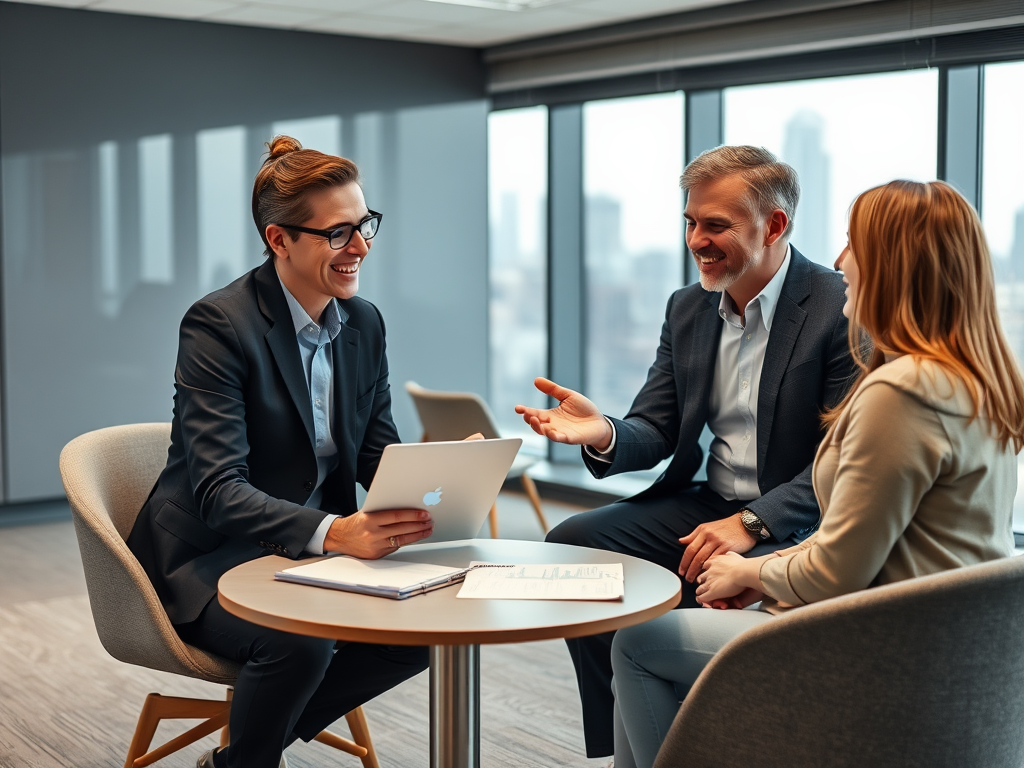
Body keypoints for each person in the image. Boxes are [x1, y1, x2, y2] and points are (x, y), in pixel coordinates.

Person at [610, 179, 1024, 768]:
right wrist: (763, 574)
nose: (838, 261)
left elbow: (837, 570)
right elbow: (873, 543)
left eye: (853, 243)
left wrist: (749, 568)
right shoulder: (978, 379)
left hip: (875, 650)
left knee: (638, 644)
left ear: (890, 265)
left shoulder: (900, 393)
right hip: (954, 649)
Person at [515, 145, 856, 758]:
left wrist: (754, 524)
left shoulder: (839, 306)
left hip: (800, 518)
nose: (697, 239)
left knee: (702, 596)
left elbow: (841, 462)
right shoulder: (689, 307)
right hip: (711, 501)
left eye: (716, 225)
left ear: (774, 225)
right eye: (691, 222)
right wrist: (604, 433)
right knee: (572, 543)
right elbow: (657, 425)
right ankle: (638, 733)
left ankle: (690, 726)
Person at [127, 136, 432, 768]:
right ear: (279, 239)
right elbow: (217, 490)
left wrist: (432, 481)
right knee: (301, 644)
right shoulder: (219, 325)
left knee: (415, 638)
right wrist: (335, 532)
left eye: (365, 224)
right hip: (211, 556)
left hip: (307, 548)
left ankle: (239, 759)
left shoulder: (363, 323)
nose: (361, 248)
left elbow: (375, 450)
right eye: (338, 233)